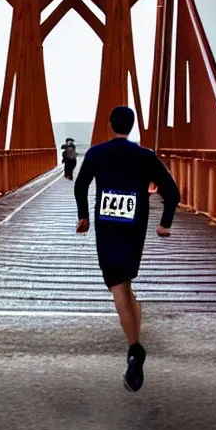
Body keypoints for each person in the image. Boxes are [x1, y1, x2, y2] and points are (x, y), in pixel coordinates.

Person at [74, 106, 181, 393]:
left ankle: (135, 349)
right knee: (126, 283)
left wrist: (83, 214)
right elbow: (172, 192)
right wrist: (164, 223)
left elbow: (80, 185)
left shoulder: (96, 153)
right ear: (132, 126)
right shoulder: (145, 156)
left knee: (118, 286)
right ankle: (134, 338)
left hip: (107, 225)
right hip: (135, 226)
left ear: (110, 125)